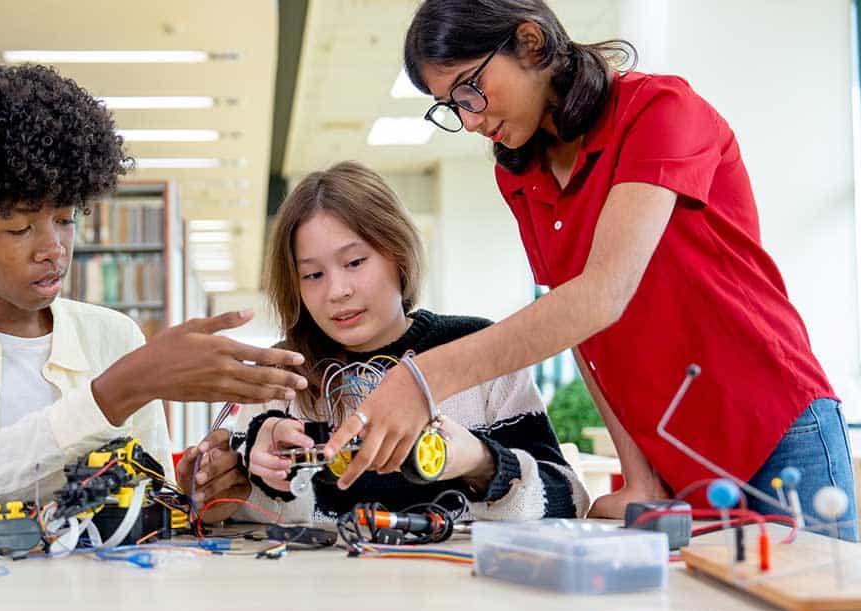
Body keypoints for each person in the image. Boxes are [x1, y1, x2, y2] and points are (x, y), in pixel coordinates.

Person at [324, 0, 854, 538]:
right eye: (450, 107)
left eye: (469, 90)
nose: (470, 118)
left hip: (773, 421)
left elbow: (603, 294)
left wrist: (423, 378)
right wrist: (640, 476)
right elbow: (582, 327)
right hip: (672, 449)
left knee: (808, 609)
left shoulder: (660, 110)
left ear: (531, 42)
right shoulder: (520, 172)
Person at [0, 62, 301, 523]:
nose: (54, 249)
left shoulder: (112, 334)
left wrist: (187, 496)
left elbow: (144, 503)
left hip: (93, 591)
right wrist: (120, 389)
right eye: (20, 227)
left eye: (66, 219)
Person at [220, 161, 588, 523]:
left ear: (398, 254)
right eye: (313, 275)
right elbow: (238, 509)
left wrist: (481, 462)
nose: (337, 291)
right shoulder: (280, 374)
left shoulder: (479, 350)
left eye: (355, 262)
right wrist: (234, 479)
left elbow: (569, 499)